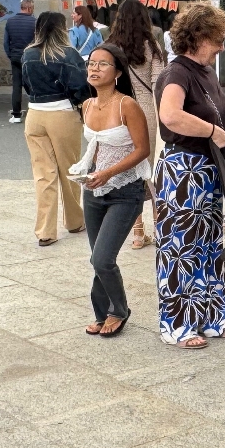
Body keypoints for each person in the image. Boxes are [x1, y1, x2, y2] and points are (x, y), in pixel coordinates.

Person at [154, 1, 225, 347]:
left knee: (209, 245)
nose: (222, 47)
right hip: (183, 171)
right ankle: (178, 326)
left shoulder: (203, 71)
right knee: (181, 248)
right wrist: (212, 131)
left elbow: (223, 109)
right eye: (218, 39)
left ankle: (214, 318)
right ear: (198, 36)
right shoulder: (177, 72)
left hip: (205, 170)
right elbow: (170, 115)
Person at [74, 44, 151, 338]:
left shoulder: (127, 105)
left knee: (103, 258)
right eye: (91, 63)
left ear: (117, 72)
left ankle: (119, 311)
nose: (94, 68)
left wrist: (107, 173)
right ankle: (101, 313)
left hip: (125, 190)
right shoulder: (87, 105)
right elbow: (97, 149)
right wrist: (89, 172)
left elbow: (142, 150)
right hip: (94, 190)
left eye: (102, 64)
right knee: (97, 258)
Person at [21, 10, 89, 246]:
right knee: (70, 169)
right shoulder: (68, 53)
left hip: (35, 113)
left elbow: (26, 85)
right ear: (61, 28)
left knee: (43, 174)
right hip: (62, 113)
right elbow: (80, 86)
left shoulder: (28, 53)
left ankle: (45, 231)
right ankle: (74, 221)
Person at [106, 0, 166, 249]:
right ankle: (160, 227)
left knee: (130, 171)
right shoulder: (151, 46)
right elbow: (158, 83)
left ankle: (137, 233)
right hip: (146, 110)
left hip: (119, 110)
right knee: (151, 169)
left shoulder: (110, 47)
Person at [3, 0, 36, 124]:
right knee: (33, 84)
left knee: (16, 86)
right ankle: (35, 110)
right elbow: (38, 41)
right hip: (31, 57)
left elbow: (6, 42)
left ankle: (16, 115)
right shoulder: (35, 22)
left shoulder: (10, 21)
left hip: (15, 57)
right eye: (32, 9)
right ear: (29, 8)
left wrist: (10, 55)